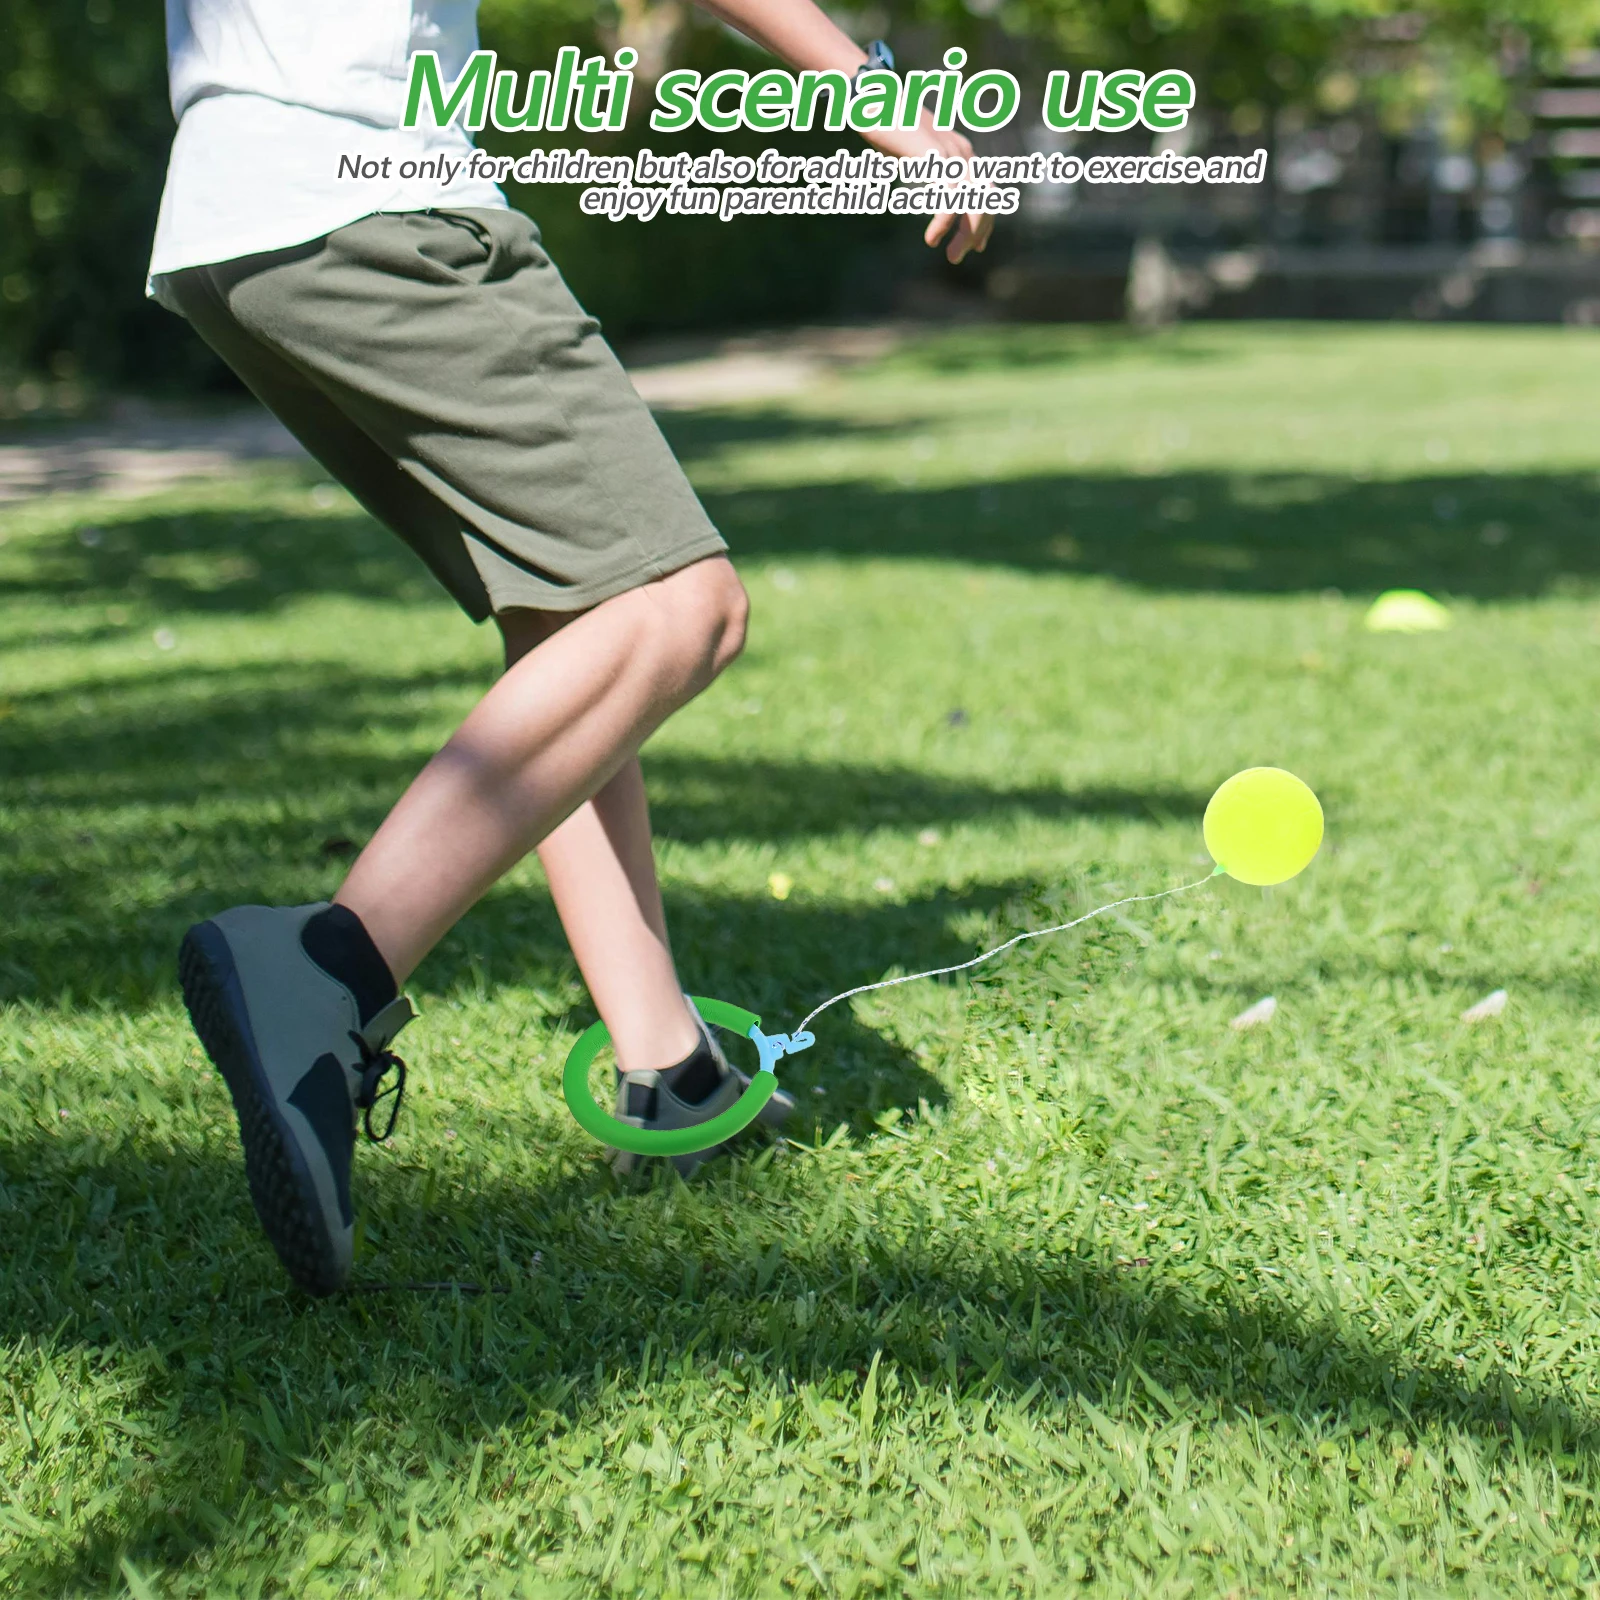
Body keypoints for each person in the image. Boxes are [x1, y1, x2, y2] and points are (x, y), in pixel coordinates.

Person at [152, 0, 992, 1297]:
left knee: (577, 610)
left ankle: (667, 1064)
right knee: (680, 606)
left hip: (234, 212)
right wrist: (867, 87)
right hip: (376, 191)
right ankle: (324, 964)